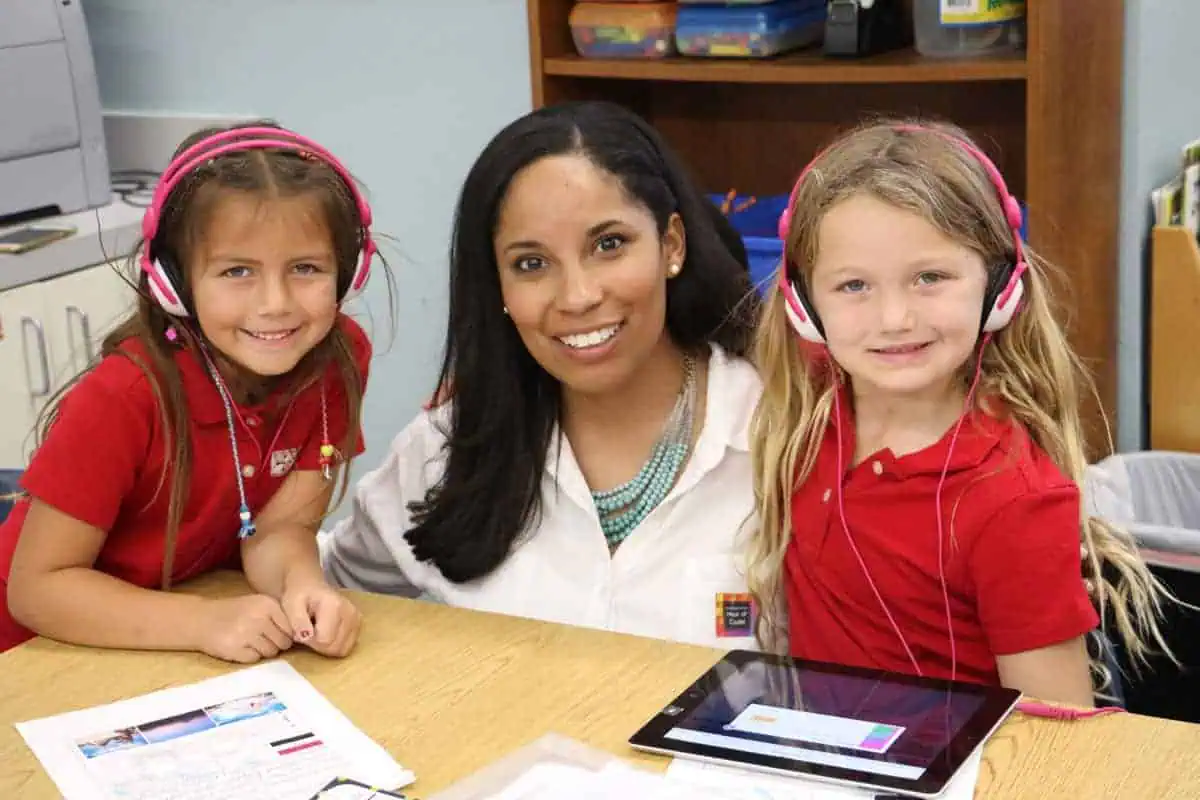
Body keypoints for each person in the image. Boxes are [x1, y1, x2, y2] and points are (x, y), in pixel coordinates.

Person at [748, 119, 1171, 706]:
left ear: (1000, 288)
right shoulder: (808, 421)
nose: (894, 317)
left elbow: (1056, 728)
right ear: (803, 305)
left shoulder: (1012, 499)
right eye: (853, 286)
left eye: (930, 278)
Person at [320, 100, 763, 648]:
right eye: (531, 264)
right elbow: (328, 588)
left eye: (609, 245)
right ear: (498, 287)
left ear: (671, 245)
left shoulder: (784, 437)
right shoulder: (448, 446)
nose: (578, 296)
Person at [0, 122, 377, 663]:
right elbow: (38, 589)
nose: (275, 303)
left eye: (305, 268)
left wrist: (303, 586)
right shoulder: (125, 395)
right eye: (237, 270)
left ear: (347, 273)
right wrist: (203, 621)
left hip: (169, 644)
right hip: (38, 655)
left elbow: (278, 530)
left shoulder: (339, 357)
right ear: (173, 282)